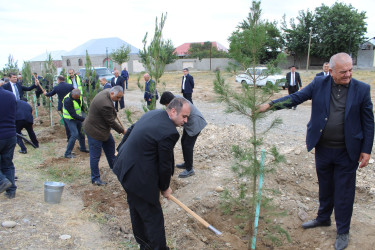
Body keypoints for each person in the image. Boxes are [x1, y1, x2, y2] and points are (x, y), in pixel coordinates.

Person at [258, 52, 374, 250]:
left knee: (344, 193)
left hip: (348, 151)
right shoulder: (319, 84)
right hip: (323, 148)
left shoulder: (362, 89)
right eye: (343, 71)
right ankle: (323, 218)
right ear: (331, 70)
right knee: (325, 186)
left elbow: (368, 122)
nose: (348, 75)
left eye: (350, 70)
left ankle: (343, 231)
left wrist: (366, 150)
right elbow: (296, 97)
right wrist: (270, 105)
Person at [113, 97, 191, 250]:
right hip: (138, 177)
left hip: (125, 168)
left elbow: (130, 129)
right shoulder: (170, 132)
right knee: (153, 217)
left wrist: (119, 149)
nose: (186, 121)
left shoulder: (153, 114)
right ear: (173, 111)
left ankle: (144, 245)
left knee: (136, 209)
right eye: (184, 116)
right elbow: (164, 164)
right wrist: (164, 187)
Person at [83, 86, 125, 186]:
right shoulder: (105, 104)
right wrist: (123, 131)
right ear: (112, 94)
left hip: (103, 129)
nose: (119, 100)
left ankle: (115, 168)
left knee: (110, 146)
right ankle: (95, 179)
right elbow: (111, 122)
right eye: (118, 98)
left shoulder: (108, 92)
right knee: (95, 156)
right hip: (94, 131)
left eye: (120, 98)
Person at [160, 91, 207, 178]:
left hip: (195, 124)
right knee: (183, 141)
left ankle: (189, 169)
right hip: (189, 124)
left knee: (187, 145)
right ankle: (186, 163)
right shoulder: (175, 99)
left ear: (169, 102)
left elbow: (176, 120)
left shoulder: (178, 104)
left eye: (166, 105)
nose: (166, 107)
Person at [44, 75, 74, 141]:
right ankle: (74, 135)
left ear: (59, 80)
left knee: (66, 122)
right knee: (73, 119)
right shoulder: (70, 86)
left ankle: (69, 137)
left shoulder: (57, 87)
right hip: (71, 105)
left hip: (63, 106)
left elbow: (50, 94)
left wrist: (46, 93)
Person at [0, 87, 17, 199]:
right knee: (8, 163)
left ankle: (2, 181)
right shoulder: (10, 95)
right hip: (11, 134)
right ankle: (11, 191)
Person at [62, 89, 89, 159]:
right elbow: (73, 115)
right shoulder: (67, 100)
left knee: (81, 133)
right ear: (72, 95)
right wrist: (85, 119)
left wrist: (87, 113)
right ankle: (67, 153)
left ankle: (83, 148)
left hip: (77, 117)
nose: (78, 98)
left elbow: (83, 106)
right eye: (76, 97)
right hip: (69, 118)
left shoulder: (78, 96)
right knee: (74, 134)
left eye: (78, 97)